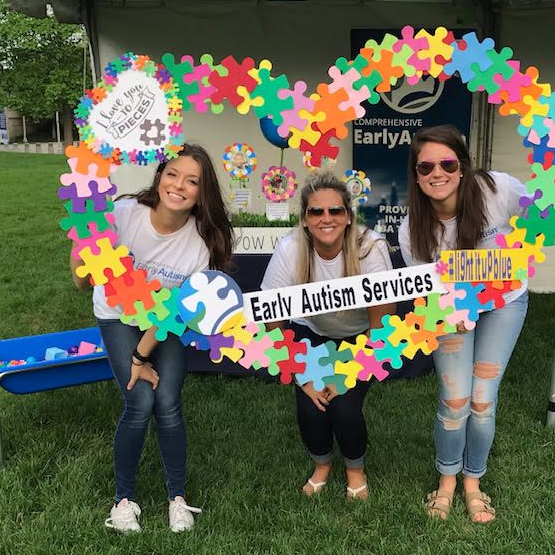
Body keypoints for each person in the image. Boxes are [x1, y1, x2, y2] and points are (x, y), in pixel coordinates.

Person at [70, 144, 233, 532]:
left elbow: (172, 316)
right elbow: (80, 278)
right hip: (117, 317)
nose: (179, 186)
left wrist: (142, 359)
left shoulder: (200, 244)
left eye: (192, 181)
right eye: (172, 174)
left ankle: (177, 498)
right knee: (139, 402)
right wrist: (84, 247)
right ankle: (123, 501)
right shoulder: (125, 215)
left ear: (202, 192)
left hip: (164, 324)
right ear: (159, 175)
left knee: (168, 402)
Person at [398, 124, 528, 523]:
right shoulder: (412, 229)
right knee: (454, 401)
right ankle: (447, 480)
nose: (437, 173)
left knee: (482, 401)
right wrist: (449, 313)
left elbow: (543, 213)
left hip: (504, 303)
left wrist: (530, 236)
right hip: (449, 312)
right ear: (416, 176)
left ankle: (473, 481)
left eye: (447, 163)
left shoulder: (497, 189)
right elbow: (427, 291)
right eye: (425, 168)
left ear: (463, 166)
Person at [261, 171, 394, 500]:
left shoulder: (370, 248)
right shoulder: (290, 248)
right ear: (304, 219)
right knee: (312, 407)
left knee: (345, 408)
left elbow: (382, 325)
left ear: (348, 216)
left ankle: (355, 470)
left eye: (335, 210)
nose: (326, 218)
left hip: (361, 339)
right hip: (313, 335)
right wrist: (300, 376)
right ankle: (322, 464)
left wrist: (351, 372)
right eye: (316, 212)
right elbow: (271, 321)